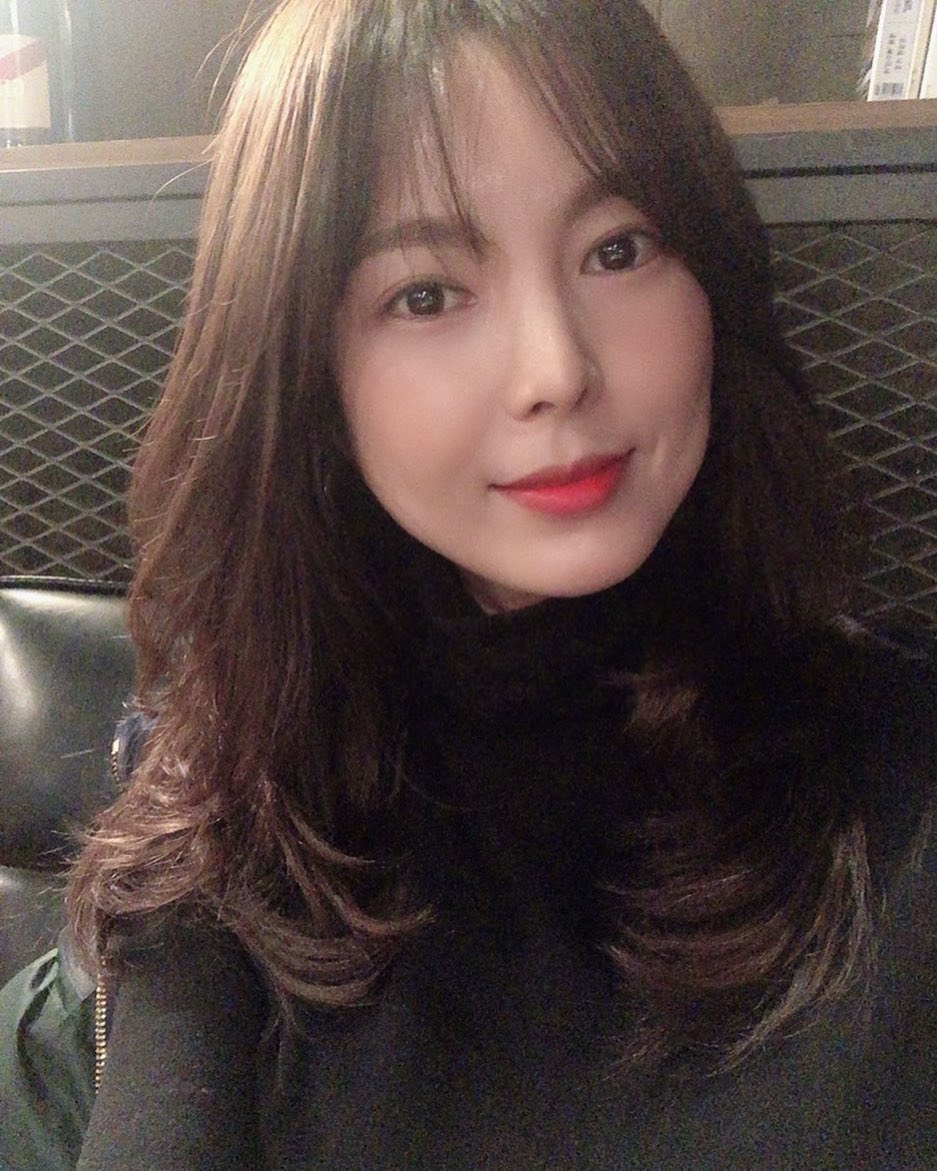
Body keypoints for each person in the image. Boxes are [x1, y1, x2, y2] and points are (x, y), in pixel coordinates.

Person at [1, 0, 935, 1167]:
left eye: (619, 248)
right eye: (427, 294)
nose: (556, 369)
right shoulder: (234, 802)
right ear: (308, 371)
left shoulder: (901, 762)